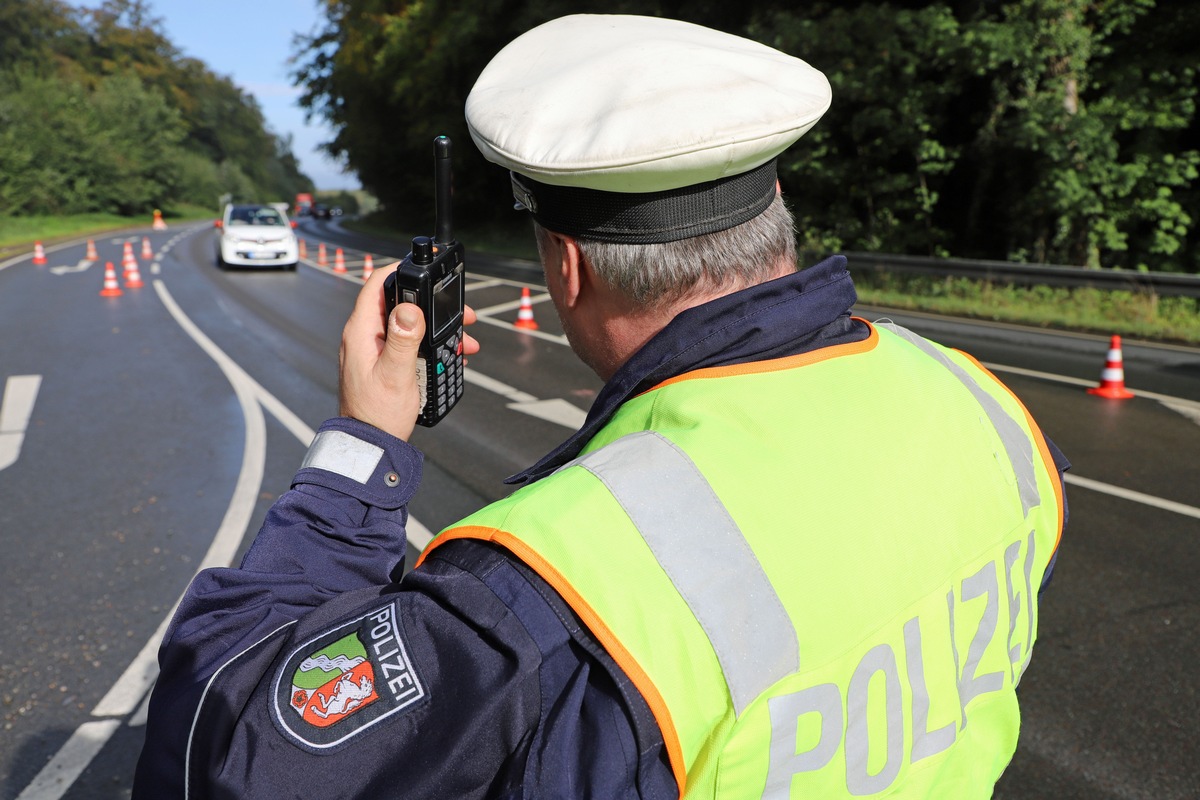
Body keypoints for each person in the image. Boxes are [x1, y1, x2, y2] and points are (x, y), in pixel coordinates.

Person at [133, 14, 1068, 799]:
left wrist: (358, 453)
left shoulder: (553, 579)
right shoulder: (980, 408)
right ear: (775, 197)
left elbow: (218, 748)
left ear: (567, 267)